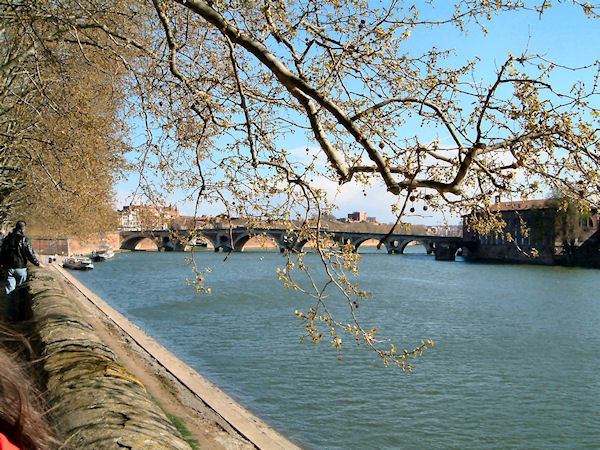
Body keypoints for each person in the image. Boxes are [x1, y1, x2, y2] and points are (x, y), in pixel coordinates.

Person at [0, 221, 40, 322]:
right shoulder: (24, 239)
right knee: (21, 292)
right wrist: (38, 264)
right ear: (23, 229)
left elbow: (2, 252)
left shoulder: (7, 238)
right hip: (20, 268)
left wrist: (3, 264)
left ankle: (11, 317)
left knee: (10, 293)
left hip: (8, 268)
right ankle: (21, 316)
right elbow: (29, 253)